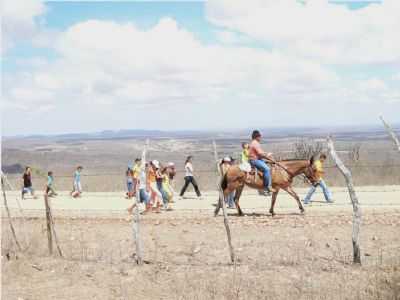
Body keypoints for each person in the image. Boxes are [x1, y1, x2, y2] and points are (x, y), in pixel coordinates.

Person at [248, 130, 275, 194]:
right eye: (260, 136)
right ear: (256, 137)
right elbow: (261, 154)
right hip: (254, 160)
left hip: (257, 159)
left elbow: (261, 153)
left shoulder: (254, 143)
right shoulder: (255, 143)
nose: (260, 138)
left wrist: (267, 155)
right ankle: (266, 187)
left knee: (270, 164)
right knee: (267, 169)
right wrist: (268, 155)